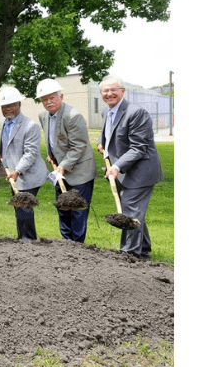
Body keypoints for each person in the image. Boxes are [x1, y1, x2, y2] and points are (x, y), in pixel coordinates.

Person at [96, 76, 163, 258]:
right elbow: (109, 134)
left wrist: (117, 166)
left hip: (142, 171)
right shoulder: (106, 112)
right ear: (101, 94)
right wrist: (102, 143)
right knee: (135, 212)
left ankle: (129, 254)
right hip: (126, 171)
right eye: (105, 91)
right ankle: (143, 250)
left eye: (113, 90)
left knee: (130, 209)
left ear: (122, 91)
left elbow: (138, 147)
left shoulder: (136, 112)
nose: (109, 94)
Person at [36, 78, 96, 243]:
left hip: (79, 172)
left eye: (52, 98)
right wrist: (52, 155)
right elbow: (52, 138)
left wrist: (63, 165)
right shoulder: (43, 116)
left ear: (61, 97)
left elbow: (79, 146)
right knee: (63, 207)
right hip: (60, 171)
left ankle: (77, 246)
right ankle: (66, 243)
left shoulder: (72, 116)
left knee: (77, 211)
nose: (48, 102)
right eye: (44, 99)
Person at [0, 86, 47, 240]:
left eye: (11, 105)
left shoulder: (30, 126)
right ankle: (22, 238)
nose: (7, 109)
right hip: (14, 173)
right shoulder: (5, 122)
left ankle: (29, 241)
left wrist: (17, 170)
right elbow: (5, 143)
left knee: (24, 206)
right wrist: (2, 155)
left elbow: (31, 154)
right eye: (4, 106)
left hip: (29, 174)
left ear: (19, 104)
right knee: (19, 206)